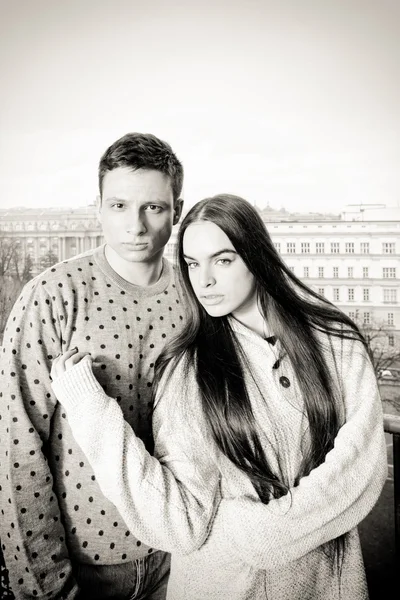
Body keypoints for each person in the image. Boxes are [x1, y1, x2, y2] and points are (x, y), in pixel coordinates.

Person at [50, 194, 387, 600]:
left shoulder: (336, 342)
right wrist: (90, 410)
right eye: (192, 264)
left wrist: (267, 531)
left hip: (328, 586)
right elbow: (179, 523)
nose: (203, 280)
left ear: (256, 257)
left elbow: (361, 465)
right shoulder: (188, 367)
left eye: (222, 260)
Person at [0, 132, 185, 599]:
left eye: (154, 207)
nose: (136, 226)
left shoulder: (198, 297)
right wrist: (46, 586)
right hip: (84, 568)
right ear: (98, 208)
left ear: (177, 211)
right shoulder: (52, 295)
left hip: (184, 559)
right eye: (119, 206)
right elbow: (16, 446)